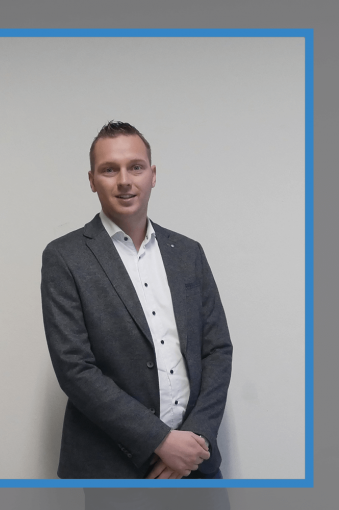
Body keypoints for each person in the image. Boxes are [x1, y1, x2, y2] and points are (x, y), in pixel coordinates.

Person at [41, 121, 233, 480]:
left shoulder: (188, 253)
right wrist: (161, 441)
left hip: (196, 460)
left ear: (153, 175)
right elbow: (74, 368)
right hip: (111, 466)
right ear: (92, 180)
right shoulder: (64, 257)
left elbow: (217, 349)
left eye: (136, 167)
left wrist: (195, 438)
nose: (124, 180)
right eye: (109, 169)